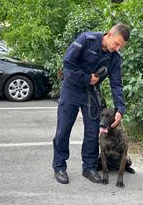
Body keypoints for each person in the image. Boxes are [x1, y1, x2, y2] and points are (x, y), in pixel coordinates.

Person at [52, 23, 130, 184]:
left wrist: (120, 109)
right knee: (63, 130)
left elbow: (116, 84)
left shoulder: (114, 57)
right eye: (116, 43)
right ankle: (59, 166)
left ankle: (89, 167)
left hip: (91, 93)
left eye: (120, 46)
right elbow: (67, 64)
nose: (117, 48)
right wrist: (87, 78)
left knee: (92, 132)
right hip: (71, 89)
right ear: (108, 34)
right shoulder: (86, 40)